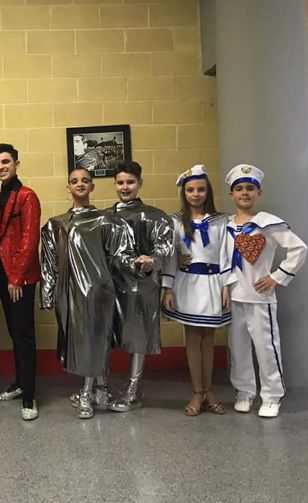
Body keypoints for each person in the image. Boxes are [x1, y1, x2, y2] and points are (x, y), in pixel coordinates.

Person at [41, 168, 140, 419]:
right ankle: (101, 389)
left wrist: (139, 264)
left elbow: (120, 255)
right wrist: (48, 294)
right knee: (81, 341)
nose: (80, 184)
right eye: (74, 181)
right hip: (67, 293)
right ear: (68, 187)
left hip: (98, 290)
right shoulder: (55, 224)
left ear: (92, 187)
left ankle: (87, 392)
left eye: (85, 180)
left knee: (95, 339)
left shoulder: (106, 221)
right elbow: (49, 263)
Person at [224, 164, 307, 418]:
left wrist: (277, 277)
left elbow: (299, 249)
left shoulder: (267, 222)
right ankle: (244, 391)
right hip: (234, 297)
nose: (244, 193)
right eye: (239, 188)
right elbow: (221, 260)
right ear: (231, 194)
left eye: (250, 188)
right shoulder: (225, 225)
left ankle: (272, 396)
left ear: (258, 193)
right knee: (237, 348)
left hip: (260, 297)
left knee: (266, 348)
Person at [162, 165, 231, 417]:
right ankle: (197, 391)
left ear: (208, 191)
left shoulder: (221, 221)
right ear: (184, 193)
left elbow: (225, 255)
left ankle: (210, 390)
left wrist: (226, 285)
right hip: (187, 283)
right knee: (192, 338)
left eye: (201, 189)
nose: (196, 194)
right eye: (190, 190)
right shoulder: (175, 221)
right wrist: (168, 288)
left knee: (208, 339)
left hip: (213, 284)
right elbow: (170, 257)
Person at [107, 161, 174, 412]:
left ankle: (132, 391)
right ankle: (101, 387)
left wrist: (152, 260)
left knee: (138, 337)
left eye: (130, 182)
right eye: (120, 182)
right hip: (111, 286)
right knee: (105, 335)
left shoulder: (155, 216)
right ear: (114, 184)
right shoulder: (105, 217)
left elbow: (164, 247)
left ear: (140, 183)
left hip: (141, 286)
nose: (125, 187)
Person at [0, 143, 41, 421]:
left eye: (5, 162)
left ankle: (29, 396)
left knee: (23, 334)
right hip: (2, 274)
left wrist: (16, 278)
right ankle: (20, 383)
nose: (1, 167)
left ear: (16, 164)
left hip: (19, 277)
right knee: (14, 332)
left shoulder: (27, 195)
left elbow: (30, 240)